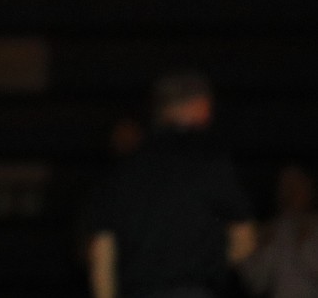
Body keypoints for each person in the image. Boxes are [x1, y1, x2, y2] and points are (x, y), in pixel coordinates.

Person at [86, 71, 257, 298]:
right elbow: (244, 240)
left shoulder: (125, 167)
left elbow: (102, 249)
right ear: (200, 105)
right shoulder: (210, 163)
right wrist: (207, 261)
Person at [240, 163, 318, 298]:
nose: (290, 193)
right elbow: (257, 284)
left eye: (296, 185)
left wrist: (304, 244)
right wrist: (264, 247)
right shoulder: (274, 229)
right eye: (285, 186)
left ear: (310, 186)